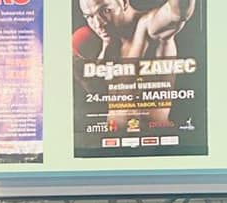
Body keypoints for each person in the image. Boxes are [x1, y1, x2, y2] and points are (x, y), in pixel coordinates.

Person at [73, 0, 197, 131]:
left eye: (105, 10)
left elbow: (178, 12)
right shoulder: (110, 41)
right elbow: (96, 90)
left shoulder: (147, 26)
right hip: (112, 138)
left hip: (150, 139)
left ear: (124, 3)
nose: (98, 24)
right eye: (89, 16)